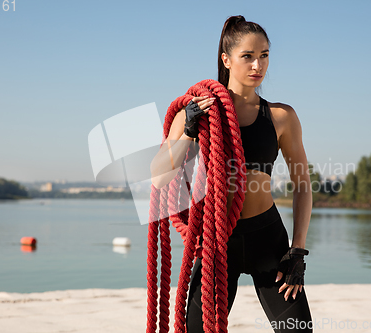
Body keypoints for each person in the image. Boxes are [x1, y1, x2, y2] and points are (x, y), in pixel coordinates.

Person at [150, 15, 313, 333]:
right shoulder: (196, 113)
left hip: (268, 240)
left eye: (264, 55)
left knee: (298, 330)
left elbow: (303, 184)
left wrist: (298, 249)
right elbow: (158, 177)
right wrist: (188, 132)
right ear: (226, 59)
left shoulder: (280, 117)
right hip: (216, 243)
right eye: (248, 56)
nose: (258, 65)